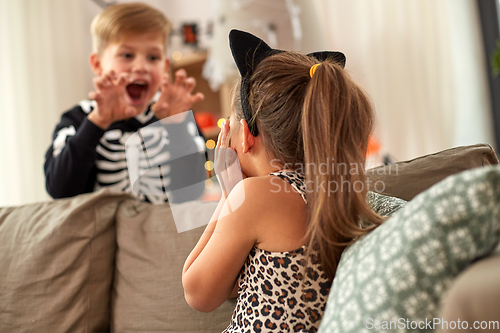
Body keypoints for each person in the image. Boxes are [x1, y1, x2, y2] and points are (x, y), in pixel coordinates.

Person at [182, 29, 401, 332]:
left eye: (228, 127)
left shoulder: (255, 196)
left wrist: (227, 195)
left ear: (244, 136)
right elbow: (234, 282)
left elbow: (197, 293)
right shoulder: (334, 193)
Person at [44, 2, 205, 204]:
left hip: (162, 231)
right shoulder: (78, 119)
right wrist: (96, 123)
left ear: (165, 67)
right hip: (101, 233)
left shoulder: (175, 116)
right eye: (127, 55)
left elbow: (193, 191)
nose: (141, 67)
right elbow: (59, 190)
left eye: (153, 57)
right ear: (97, 64)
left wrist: (177, 127)